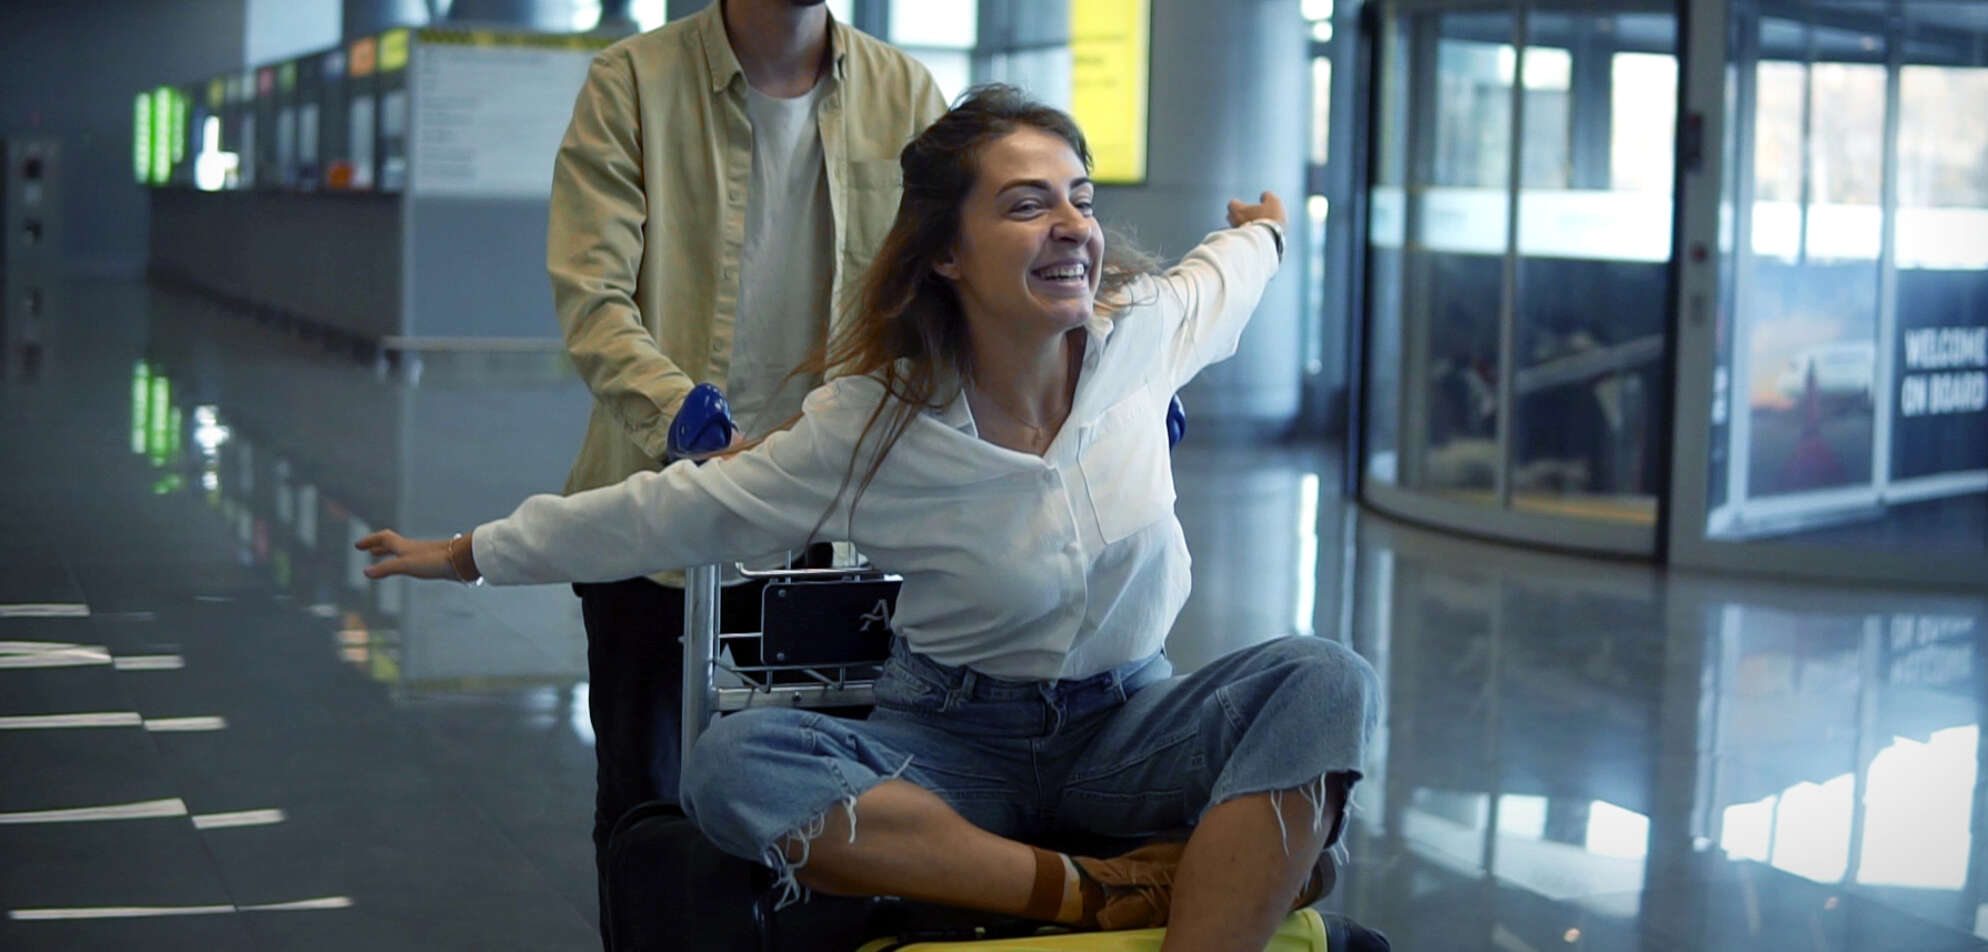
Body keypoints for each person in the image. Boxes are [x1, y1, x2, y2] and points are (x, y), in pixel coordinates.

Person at [364, 87, 1380, 952]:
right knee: (732, 768)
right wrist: (467, 555)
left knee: (1326, 677)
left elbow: (1237, 266)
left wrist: (1269, 227)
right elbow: (671, 513)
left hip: (1127, 730)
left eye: (1081, 198)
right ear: (946, 253)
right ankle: (1097, 891)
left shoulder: (1145, 335)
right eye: (1027, 206)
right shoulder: (872, 422)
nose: (1073, 225)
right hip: (950, 742)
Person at [545, 0, 943, 943]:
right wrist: (689, 423)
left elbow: (946, 283)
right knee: (651, 810)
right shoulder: (632, 84)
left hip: (835, 529)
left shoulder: (905, 95)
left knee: (836, 804)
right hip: (654, 526)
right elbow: (592, 293)